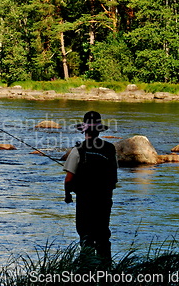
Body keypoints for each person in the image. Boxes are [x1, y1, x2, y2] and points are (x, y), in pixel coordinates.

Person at [63, 111, 118, 262]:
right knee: (102, 236)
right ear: (99, 130)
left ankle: (86, 270)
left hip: (85, 201)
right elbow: (113, 179)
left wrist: (68, 196)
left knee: (86, 236)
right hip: (105, 201)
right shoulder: (110, 149)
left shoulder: (78, 150)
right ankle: (106, 269)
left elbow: (68, 180)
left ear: (84, 130)